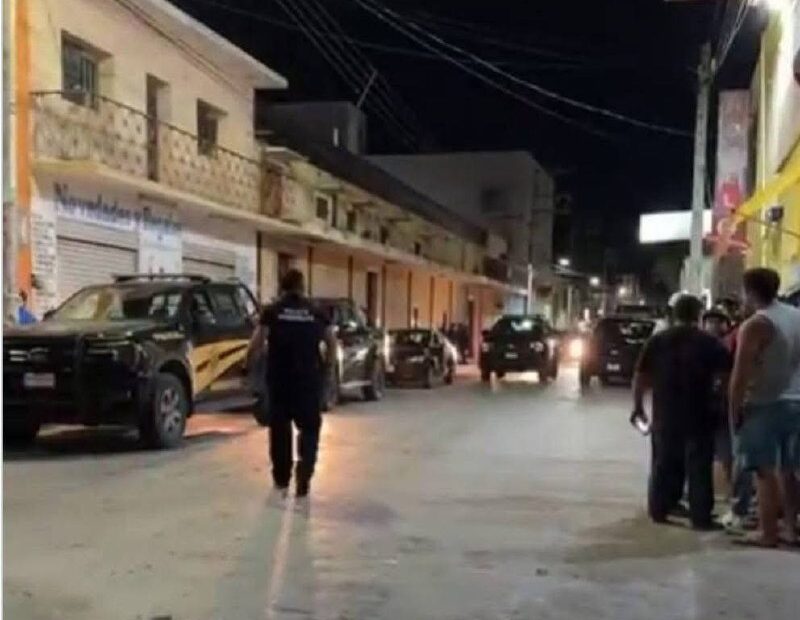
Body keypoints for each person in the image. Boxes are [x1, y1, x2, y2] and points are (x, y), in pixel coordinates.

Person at [632, 294, 732, 529]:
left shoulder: (658, 341)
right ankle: (700, 516)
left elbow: (641, 376)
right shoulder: (710, 343)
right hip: (700, 412)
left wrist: (638, 407)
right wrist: (722, 403)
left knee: (663, 463)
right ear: (698, 315)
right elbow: (724, 378)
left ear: (673, 314)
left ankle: (659, 509)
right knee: (699, 466)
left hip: (665, 412)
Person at [729, 268, 800, 547]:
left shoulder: (756, 324)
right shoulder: (795, 315)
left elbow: (740, 374)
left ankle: (768, 532)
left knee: (763, 469)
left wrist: (734, 410)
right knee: (789, 469)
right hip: (797, 400)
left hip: (765, 402)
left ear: (749, 292)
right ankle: (791, 529)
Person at [260, 269, 335, 499]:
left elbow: (257, 342)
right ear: (302, 286)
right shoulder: (317, 312)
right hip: (308, 381)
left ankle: (282, 478)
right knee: (310, 429)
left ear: (282, 287)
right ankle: (305, 476)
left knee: (280, 432)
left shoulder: (272, 311)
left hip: (280, 382)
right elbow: (331, 344)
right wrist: (327, 370)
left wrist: (247, 366)